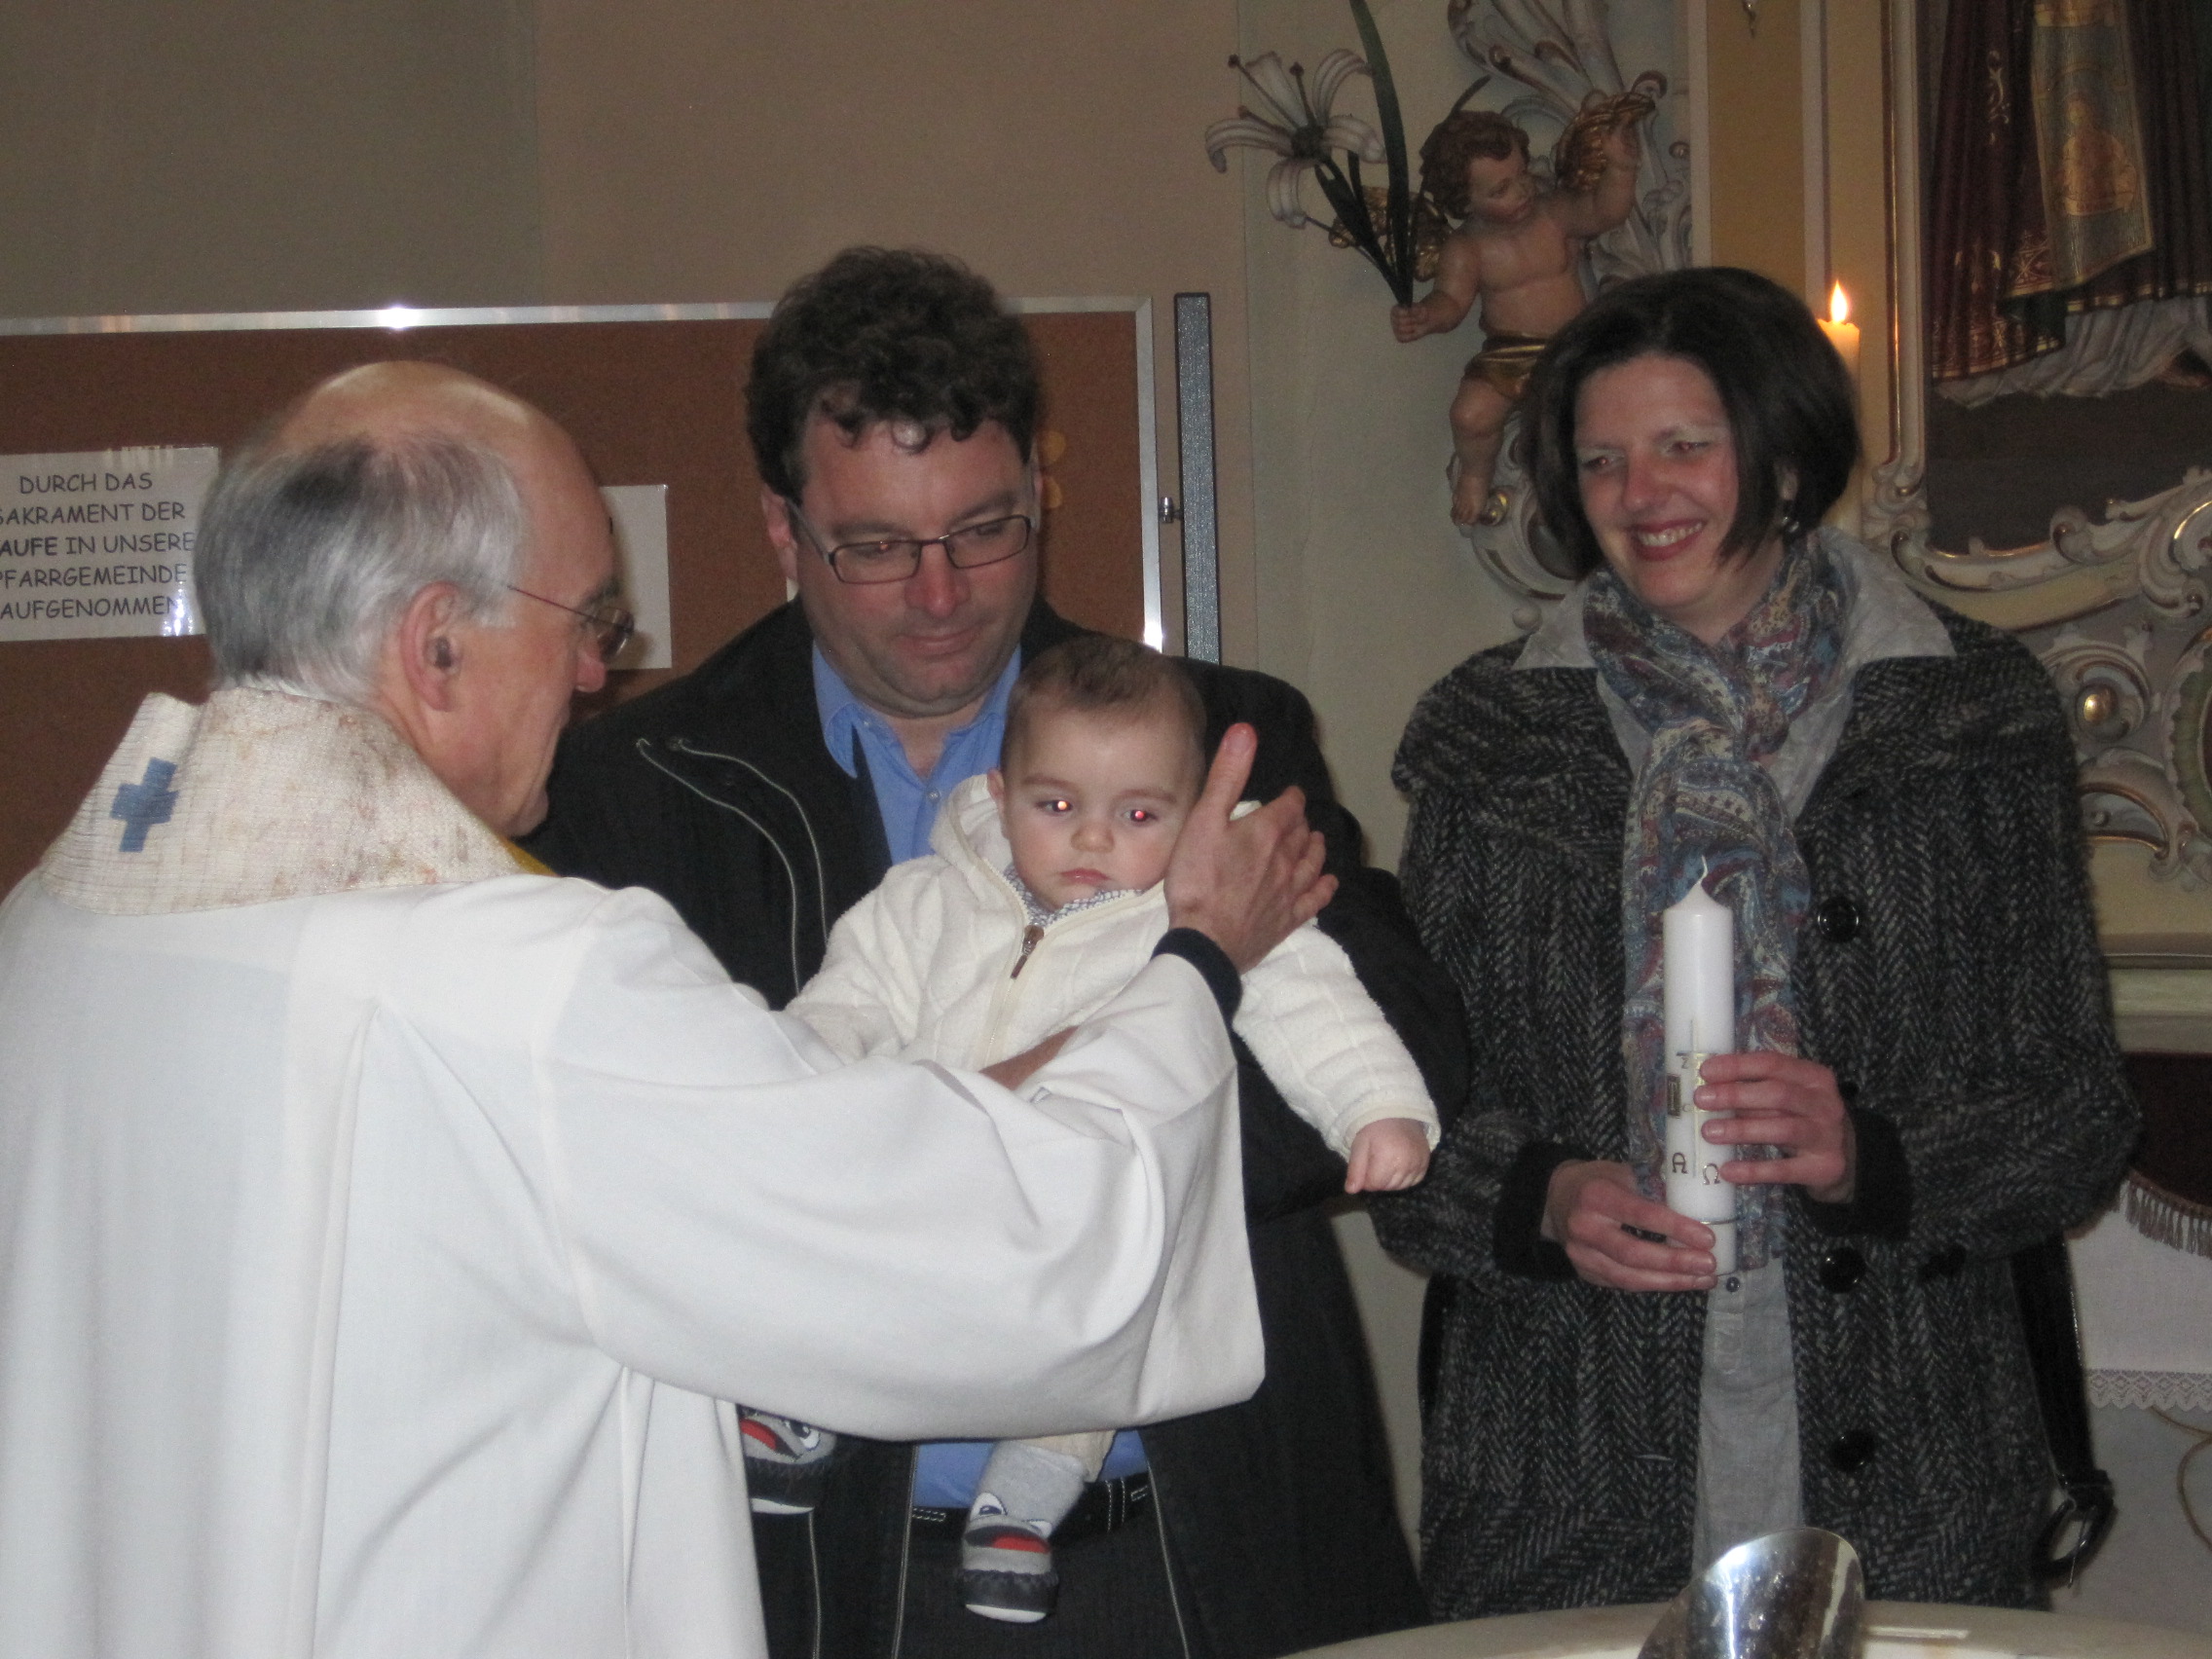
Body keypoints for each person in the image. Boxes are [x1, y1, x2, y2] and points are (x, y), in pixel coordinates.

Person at [0, 360, 1340, 1659]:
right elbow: (1022, 1250)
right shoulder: (522, 985)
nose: (598, 677)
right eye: (587, 623)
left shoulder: (46, 935)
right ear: (437, 644)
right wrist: (1196, 960)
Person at [528, 246, 1464, 1659]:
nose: (941, 593)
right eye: (874, 547)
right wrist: (1076, 1095)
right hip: (827, 1571)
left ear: (1042, 485)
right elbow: (642, 1174)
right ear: (782, 528)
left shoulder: (1219, 738)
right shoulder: (642, 788)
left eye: (985, 529)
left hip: (1189, 1544)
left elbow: (1393, 1044)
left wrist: (897, 1151)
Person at [1373, 267, 2136, 1616]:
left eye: (1684, 445)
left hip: (1913, 1466)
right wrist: (1538, 1198)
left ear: (1783, 459)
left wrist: (1874, 1156)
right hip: (1567, 1467)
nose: (1639, 494)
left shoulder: (1969, 712)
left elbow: (2076, 1114)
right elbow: (1389, 1118)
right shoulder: (1491, 734)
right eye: (1601, 460)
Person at [778, 635, 1440, 1625]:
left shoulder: (1198, 914)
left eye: (1137, 816)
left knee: (1115, 1308)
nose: (1091, 839)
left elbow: (1318, 1009)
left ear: (1194, 816)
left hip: (1096, 1227)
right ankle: (797, 1408)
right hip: (930, 1200)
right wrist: (815, 1095)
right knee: (852, 1262)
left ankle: (1026, 1499)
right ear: (999, 794)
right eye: (1056, 807)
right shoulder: (923, 901)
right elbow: (842, 1006)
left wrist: (1376, 1109)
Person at [1390, 104, 1640, 526]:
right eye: (1500, 189)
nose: (1522, 190)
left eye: (1522, 174)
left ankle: (1602, 482)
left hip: (1573, 345)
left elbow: (1605, 211)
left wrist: (1621, 166)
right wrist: (1426, 317)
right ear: (1465, 201)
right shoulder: (1467, 248)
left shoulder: (1554, 214)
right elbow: (1451, 302)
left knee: (1597, 415)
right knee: (1470, 415)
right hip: (1508, 353)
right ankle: (1475, 475)